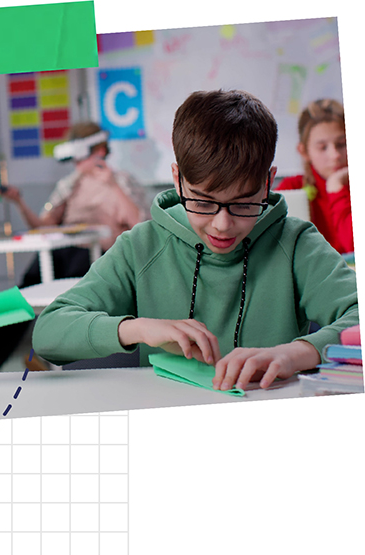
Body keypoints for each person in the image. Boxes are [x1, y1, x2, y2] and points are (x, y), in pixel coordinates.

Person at [33, 90, 358, 392]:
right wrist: (139, 329)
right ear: (178, 179)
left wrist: (298, 353)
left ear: (268, 182)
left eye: (244, 204)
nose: (223, 225)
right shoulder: (140, 247)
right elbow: (48, 333)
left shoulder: (297, 243)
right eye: (203, 203)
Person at [0, 122, 148, 369]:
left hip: (100, 252)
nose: (76, 165)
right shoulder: (70, 184)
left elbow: (139, 224)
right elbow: (43, 225)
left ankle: (48, 356)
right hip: (64, 249)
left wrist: (111, 185)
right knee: (28, 287)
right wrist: (19, 201)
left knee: (71, 287)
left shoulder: (122, 181)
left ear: (97, 150)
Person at [276, 99, 352, 254]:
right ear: (304, 152)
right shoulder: (292, 188)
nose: (335, 155)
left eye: (342, 144)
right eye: (322, 147)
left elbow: (353, 246)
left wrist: (336, 187)